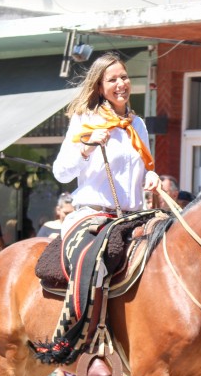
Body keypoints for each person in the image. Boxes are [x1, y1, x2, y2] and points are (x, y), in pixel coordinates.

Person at [52, 53, 160, 238]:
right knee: (97, 263)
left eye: (124, 77)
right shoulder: (85, 120)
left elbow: (141, 170)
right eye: (112, 80)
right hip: (95, 218)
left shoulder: (136, 124)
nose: (121, 84)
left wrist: (150, 175)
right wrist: (87, 148)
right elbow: (61, 173)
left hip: (133, 220)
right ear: (100, 88)